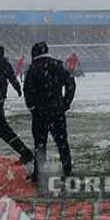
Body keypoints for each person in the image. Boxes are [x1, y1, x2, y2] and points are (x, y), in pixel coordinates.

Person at [24, 41, 75, 181]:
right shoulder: (58, 65)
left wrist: (32, 106)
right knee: (62, 142)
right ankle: (67, 169)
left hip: (40, 112)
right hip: (57, 110)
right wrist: (65, 103)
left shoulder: (33, 68)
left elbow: (27, 90)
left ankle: (38, 173)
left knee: (40, 144)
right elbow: (70, 84)